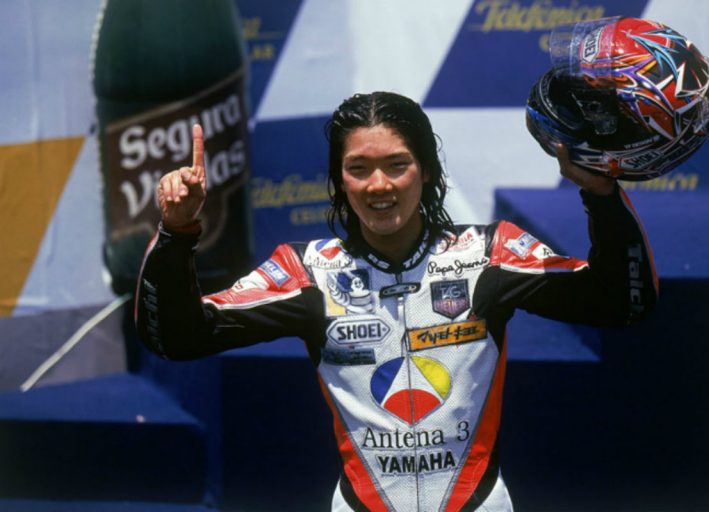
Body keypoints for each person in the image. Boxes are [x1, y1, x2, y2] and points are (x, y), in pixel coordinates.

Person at [136, 91, 658, 511]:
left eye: (397, 164)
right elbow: (177, 337)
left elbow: (622, 303)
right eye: (359, 168)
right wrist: (178, 232)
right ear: (340, 180)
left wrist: (602, 196)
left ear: (426, 170)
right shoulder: (307, 271)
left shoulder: (489, 254)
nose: (378, 185)